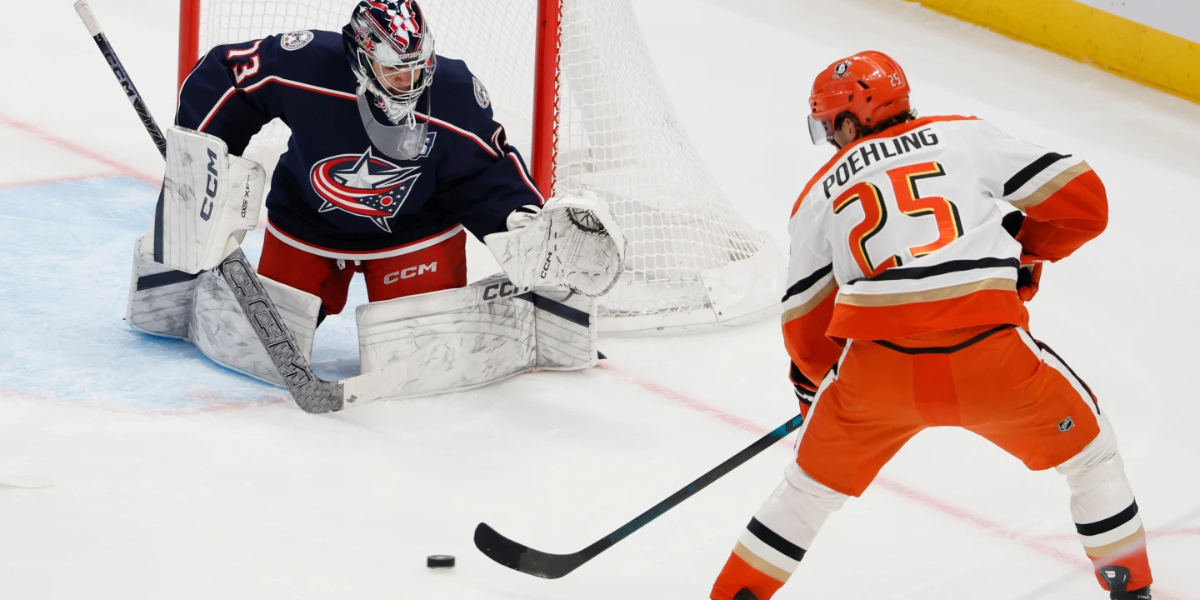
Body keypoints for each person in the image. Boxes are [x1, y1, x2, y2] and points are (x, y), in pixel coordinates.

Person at [711, 51, 1152, 600]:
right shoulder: (963, 137)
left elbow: (804, 328)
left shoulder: (816, 196)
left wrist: (820, 397)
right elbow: (1087, 203)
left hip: (877, 374)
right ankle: (1132, 589)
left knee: (804, 495)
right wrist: (1023, 253)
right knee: (1092, 458)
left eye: (829, 126)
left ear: (849, 121)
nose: (830, 139)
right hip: (992, 357)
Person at [125, 0, 623, 394]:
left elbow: (484, 168)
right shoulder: (306, 63)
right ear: (361, 57)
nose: (410, 83)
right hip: (308, 224)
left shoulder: (451, 91)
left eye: (416, 67)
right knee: (256, 345)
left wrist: (517, 217)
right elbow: (227, 74)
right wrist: (205, 152)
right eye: (394, 72)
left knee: (424, 360)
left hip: (414, 233)